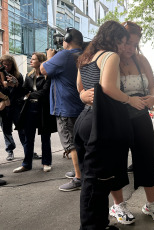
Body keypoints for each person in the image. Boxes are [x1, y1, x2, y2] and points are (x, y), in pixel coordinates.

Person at [81, 21, 154, 225]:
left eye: (134, 44)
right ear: (117, 40)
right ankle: (118, 205)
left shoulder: (141, 60)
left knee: (146, 157)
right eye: (126, 43)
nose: (129, 48)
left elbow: (153, 86)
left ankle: (151, 203)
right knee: (115, 163)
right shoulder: (109, 57)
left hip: (140, 116)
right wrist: (83, 95)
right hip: (115, 118)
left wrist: (153, 97)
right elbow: (85, 84)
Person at [75, 20, 140, 230]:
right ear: (113, 39)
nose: (123, 47)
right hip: (101, 123)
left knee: (91, 178)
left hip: (85, 119)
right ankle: (92, 227)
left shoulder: (86, 57)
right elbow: (108, 88)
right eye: (122, 42)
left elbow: (80, 88)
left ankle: (100, 224)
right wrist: (131, 100)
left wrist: (83, 96)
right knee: (97, 182)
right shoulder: (110, 56)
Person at [40, 28, 84, 191]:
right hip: (80, 106)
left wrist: (50, 57)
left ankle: (79, 178)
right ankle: (81, 171)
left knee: (71, 143)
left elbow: (43, 70)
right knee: (80, 142)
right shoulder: (84, 54)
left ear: (67, 39)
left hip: (65, 107)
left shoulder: (64, 55)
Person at [13, 52, 57, 173]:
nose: (30, 61)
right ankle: (26, 164)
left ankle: (46, 163)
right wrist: (16, 84)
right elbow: (24, 90)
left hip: (43, 109)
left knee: (45, 137)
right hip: (30, 108)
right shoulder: (29, 75)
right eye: (31, 59)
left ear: (41, 61)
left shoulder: (48, 76)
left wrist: (29, 94)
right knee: (28, 138)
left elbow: (45, 92)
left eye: (33, 59)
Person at [0, 55, 26, 161]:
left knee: (22, 128)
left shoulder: (17, 75)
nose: (6, 67)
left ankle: (27, 149)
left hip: (16, 106)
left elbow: (23, 91)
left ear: (13, 65)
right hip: (4, 107)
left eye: (9, 64)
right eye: (4, 64)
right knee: (6, 130)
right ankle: (10, 151)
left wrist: (15, 84)